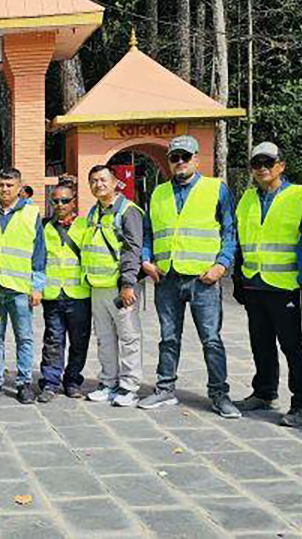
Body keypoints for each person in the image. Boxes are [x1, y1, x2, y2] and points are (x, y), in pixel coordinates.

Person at [140, 135, 240, 419]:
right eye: (175, 157)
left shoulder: (216, 189)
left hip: (203, 278)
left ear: (196, 159)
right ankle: (164, 388)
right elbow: (148, 232)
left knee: (211, 339)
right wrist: (146, 260)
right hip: (167, 277)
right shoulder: (158, 193)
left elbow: (230, 231)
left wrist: (221, 265)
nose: (180, 162)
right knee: (168, 338)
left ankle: (219, 394)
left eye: (185, 156)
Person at [232, 142, 302, 428]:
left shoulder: (301, 195)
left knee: (294, 346)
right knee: (261, 342)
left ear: (281, 165)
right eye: (256, 164)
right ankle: (264, 392)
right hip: (254, 283)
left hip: (287, 285)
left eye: (268, 163)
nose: (262, 169)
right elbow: (241, 240)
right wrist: (237, 278)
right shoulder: (247, 198)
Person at [0, 167, 45, 402]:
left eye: (9, 185)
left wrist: (37, 286)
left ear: (19, 188)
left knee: (24, 337)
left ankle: (24, 382)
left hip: (19, 287)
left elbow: (39, 253)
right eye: (1, 185)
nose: (5, 189)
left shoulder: (31, 213)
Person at [81, 166, 146, 407]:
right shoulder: (94, 212)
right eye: (93, 181)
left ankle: (129, 387)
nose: (98, 184)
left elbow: (133, 249)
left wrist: (128, 284)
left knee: (128, 337)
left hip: (120, 288)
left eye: (103, 180)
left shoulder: (128, 211)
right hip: (97, 285)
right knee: (104, 338)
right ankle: (108, 382)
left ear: (115, 182)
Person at [37, 177, 93, 403]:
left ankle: (72, 380)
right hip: (52, 294)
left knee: (79, 341)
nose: (60, 205)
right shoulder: (44, 227)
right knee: (53, 339)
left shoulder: (85, 226)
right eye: (56, 201)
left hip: (78, 294)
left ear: (74, 202)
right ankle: (50, 382)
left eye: (65, 200)